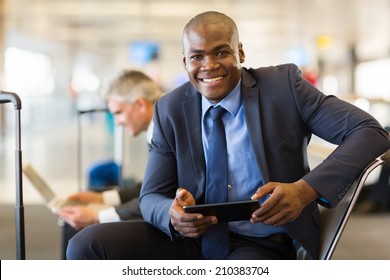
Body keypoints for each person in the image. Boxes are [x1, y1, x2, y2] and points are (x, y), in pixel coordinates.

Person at [66, 11, 390, 260]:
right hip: (191, 238)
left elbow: (370, 131)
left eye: (221, 52)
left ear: (241, 53)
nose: (209, 65)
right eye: (197, 56)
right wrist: (172, 214)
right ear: (185, 61)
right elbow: (151, 195)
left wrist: (305, 191)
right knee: (86, 244)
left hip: (261, 240)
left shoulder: (284, 87)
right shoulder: (171, 108)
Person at [55, 69, 163, 230]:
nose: (117, 122)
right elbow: (152, 186)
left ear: (140, 104)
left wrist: (97, 217)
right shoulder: (158, 129)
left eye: (119, 113)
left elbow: (157, 194)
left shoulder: (164, 132)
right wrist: (102, 198)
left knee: (85, 236)